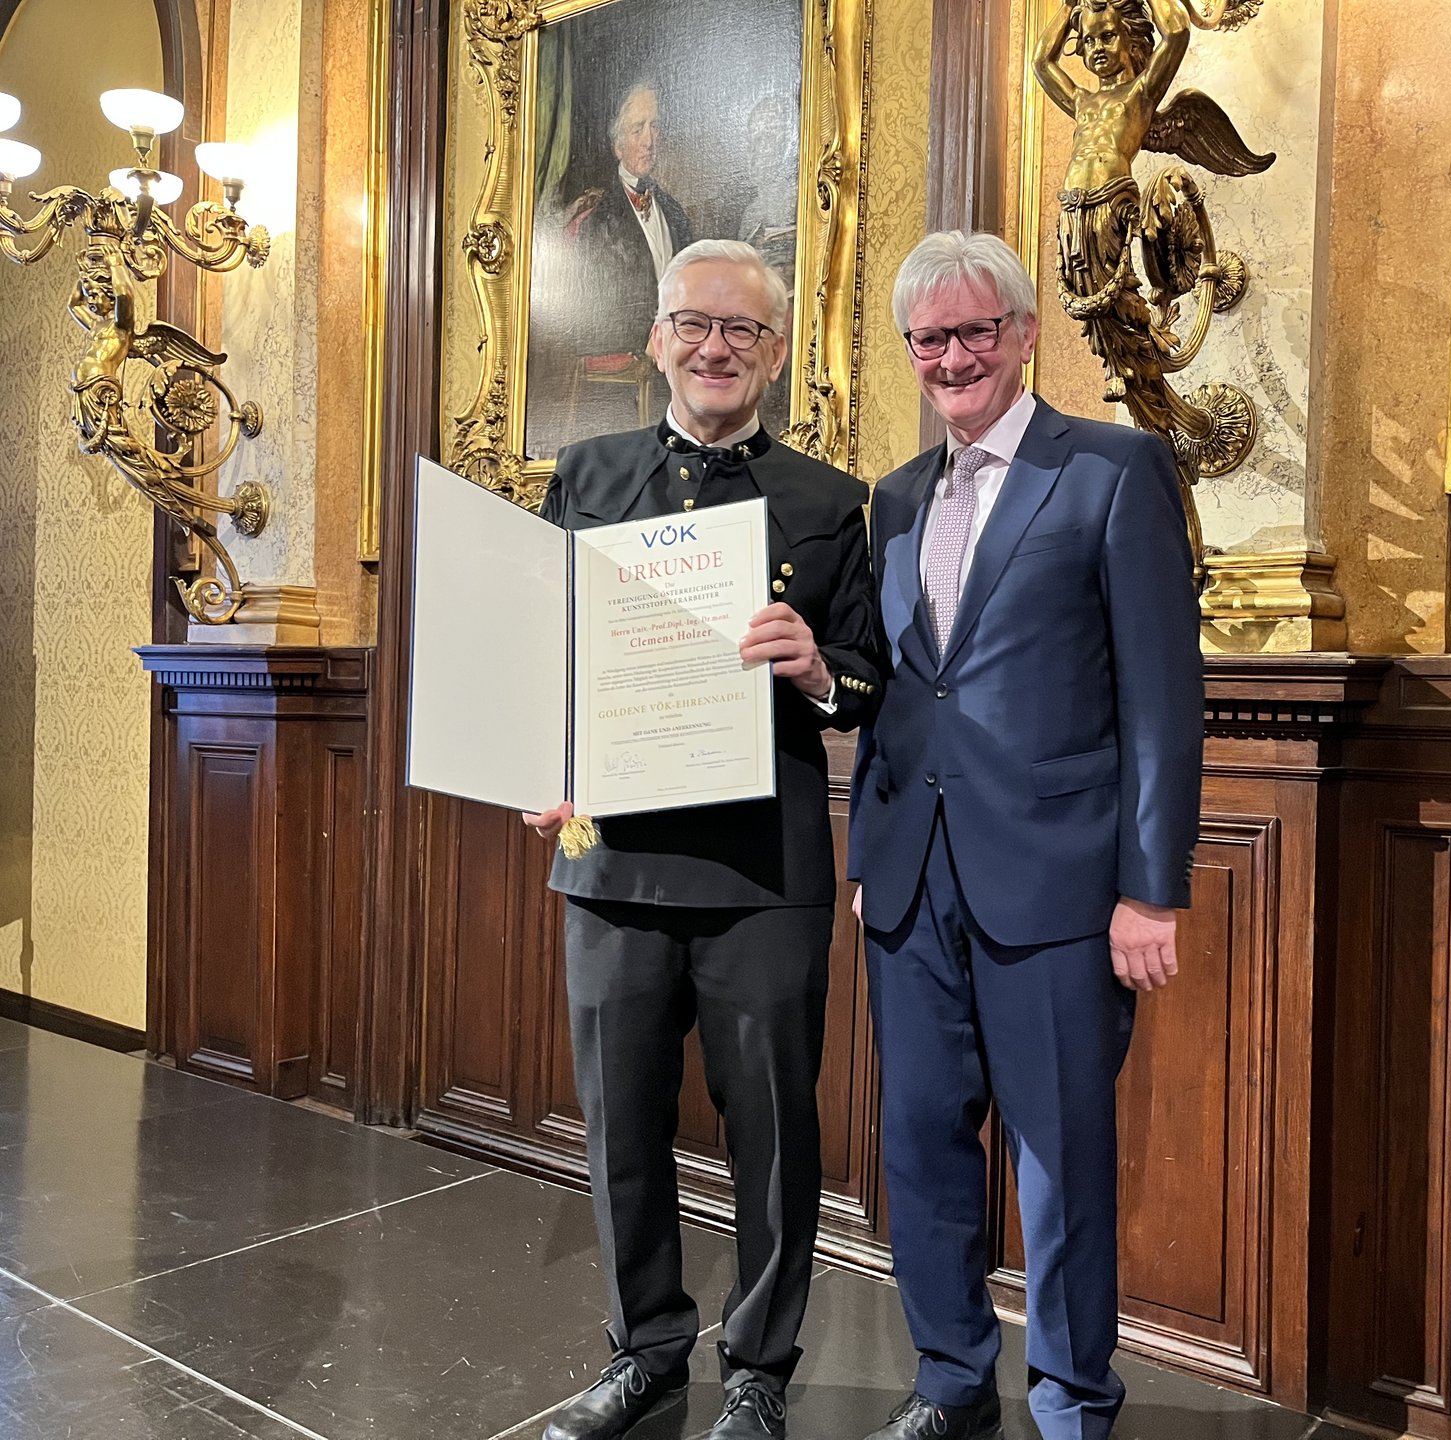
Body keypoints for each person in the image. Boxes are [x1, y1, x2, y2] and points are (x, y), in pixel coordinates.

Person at [847, 230, 1203, 1440]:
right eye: (930, 339)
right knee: (920, 1147)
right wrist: (865, 861)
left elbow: (1162, 699)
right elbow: (905, 690)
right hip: (910, 885)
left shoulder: (1111, 471)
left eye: (975, 330)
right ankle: (951, 1384)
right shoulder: (892, 498)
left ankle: (1069, 1399)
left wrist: (1152, 893)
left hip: (1057, 886)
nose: (953, 357)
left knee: (1059, 1166)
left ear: (1025, 330)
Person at [524, 238, 883, 1440]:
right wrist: (535, 764)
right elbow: (541, 655)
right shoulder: (585, 473)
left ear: (775, 352)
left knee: (774, 1128)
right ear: (660, 334)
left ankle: (761, 1368)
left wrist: (819, 667)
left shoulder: (836, 503)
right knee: (621, 1118)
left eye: (743, 331)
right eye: (694, 325)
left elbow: (877, 678)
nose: (716, 347)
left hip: (764, 868)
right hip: (608, 854)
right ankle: (645, 1350)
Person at [555, 81, 695, 440]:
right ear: (618, 145)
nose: (649, 139)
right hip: (638, 352)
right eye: (638, 129)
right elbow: (591, 312)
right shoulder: (598, 220)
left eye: (655, 126)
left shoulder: (675, 214)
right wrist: (646, 337)